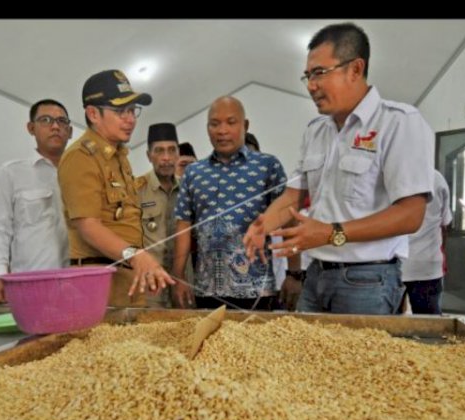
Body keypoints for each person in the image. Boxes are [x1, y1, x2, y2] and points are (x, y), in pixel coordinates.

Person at [243, 22, 434, 315]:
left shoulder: (398, 122)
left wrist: (331, 233)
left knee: (358, 361)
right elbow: (293, 197)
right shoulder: (316, 130)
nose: (311, 86)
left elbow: (411, 215)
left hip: (368, 281)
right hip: (316, 274)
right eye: (307, 76)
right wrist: (263, 226)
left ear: (355, 69)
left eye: (319, 73)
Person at [58, 69, 174, 307]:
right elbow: (88, 226)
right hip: (99, 282)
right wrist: (136, 256)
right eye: (121, 111)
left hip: (126, 276)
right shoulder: (81, 157)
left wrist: (140, 262)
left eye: (132, 111)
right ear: (93, 113)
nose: (130, 119)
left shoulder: (118, 156)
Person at [173, 96, 287, 310]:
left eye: (231, 122)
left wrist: (294, 274)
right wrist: (178, 277)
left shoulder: (268, 166)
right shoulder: (194, 172)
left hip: (256, 290)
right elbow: (183, 227)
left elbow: (289, 218)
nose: (222, 130)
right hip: (207, 288)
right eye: (214, 124)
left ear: (245, 125)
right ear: (207, 128)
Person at [0, 98, 72, 304]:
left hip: (77, 282)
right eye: (46, 120)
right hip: (32, 285)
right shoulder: (12, 173)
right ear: (31, 128)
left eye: (62, 121)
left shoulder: (82, 173)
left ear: (70, 131)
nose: (55, 126)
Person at [137, 123, 192, 307]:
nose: (166, 158)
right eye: (159, 151)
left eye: (171, 150)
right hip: (151, 286)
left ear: (178, 153)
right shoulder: (136, 190)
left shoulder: (189, 189)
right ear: (148, 156)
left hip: (184, 282)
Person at [400, 170, 453, 314]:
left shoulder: (389, 173)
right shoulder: (436, 178)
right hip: (427, 265)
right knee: (429, 326)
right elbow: (444, 225)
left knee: (386, 327)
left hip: (391, 264)